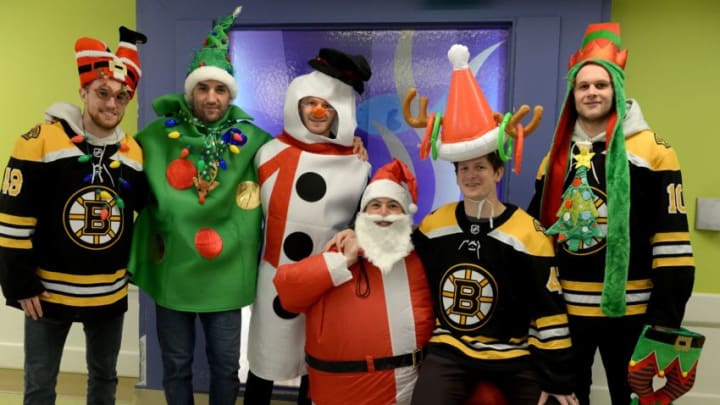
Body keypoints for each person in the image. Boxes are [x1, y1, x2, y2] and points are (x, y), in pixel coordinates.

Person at [527, 23, 695, 405]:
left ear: (617, 89)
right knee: (564, 400)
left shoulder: (655, 152)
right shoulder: (553, 159)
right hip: (566, 315)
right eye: (583, 86)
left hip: (632, 314)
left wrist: (665, 324)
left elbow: (674, 247)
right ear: (573, 93)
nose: (591, 93)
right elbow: (537, 237)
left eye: (600, 85)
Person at [403, 44, 577, 405]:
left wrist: (558, 377)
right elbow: (395, 250)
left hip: (514, 355)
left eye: (480, 166)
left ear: (498, 171)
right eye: (463, 168)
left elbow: (550, 309)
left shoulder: (528, 231)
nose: (471, 175)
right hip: (450, 350)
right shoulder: (436, 224)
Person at [127, 7, 273, 405]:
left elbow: (293, 162)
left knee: (226, 366)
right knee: (176, 364)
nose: (211, 97)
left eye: (220, 89)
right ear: (191, 91)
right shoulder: (158, 135)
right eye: (203, 88)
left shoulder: (254, 141)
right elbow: (119, 165)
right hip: (173, 268)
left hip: (224, 276)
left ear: (230, 94)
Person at [0, 27, 147, 404]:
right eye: (102, 92)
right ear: (82, 92)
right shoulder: (39, 141)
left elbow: (144, 209)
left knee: (105, 380)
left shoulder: (132, 152)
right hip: (46, 292)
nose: (111, 104)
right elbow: (12, 216)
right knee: (39, 385)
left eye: (121, 96)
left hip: (108, 294)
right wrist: (19, 283)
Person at [244, 48, 372, 405]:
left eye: (328, 106)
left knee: (316, 363)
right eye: (310, 102)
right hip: (274, 277)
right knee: (264, 360)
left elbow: (365, 222)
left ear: (341, 113)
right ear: (296, 104)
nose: (318, 112)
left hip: (325, 279)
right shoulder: (267, 153)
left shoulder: (357, 165)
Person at [273, 158, 434, 405]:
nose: (383, 212)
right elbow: (287, 291)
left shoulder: (420, 256)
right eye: (376, 205)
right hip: (338, 394)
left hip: (404, 391)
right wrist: (343, 260)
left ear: (405, 215)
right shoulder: (341, 251)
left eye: (393, 205)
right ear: (363, 214)